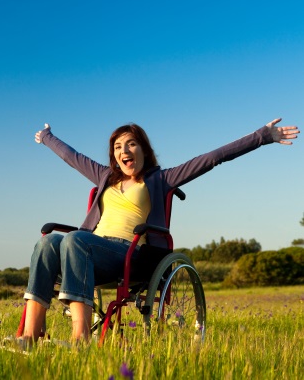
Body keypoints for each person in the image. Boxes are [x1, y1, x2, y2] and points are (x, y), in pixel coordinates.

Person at [19, 118, 299, 347]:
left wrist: (262, 136)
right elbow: (72, 157)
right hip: (87, 249)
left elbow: (212, 158)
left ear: (143, 150)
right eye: (118, 146)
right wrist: (47, 137)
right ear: (114, 156)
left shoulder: (160, 179)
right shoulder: (104, 176)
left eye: (131, 144)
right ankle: (30, 336)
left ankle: (80, 340)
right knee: (49, 242)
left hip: (129, 253)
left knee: (75, 240)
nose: (124, 150)